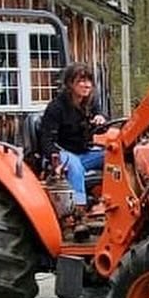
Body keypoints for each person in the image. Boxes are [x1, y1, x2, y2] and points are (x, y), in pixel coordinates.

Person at [37, 62, 108, 208]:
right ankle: (78, 209)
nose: (86, 85)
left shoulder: (91, 103)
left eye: (88, 81)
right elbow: (46, 140)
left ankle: (110, 202)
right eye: (81, 81)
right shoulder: (56, 108)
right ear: (70, 84)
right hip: (62, 153)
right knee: (75, 166)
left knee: (115, 157)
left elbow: (100, 129)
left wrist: (100, 120)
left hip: (85, 153)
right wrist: (54, 158)